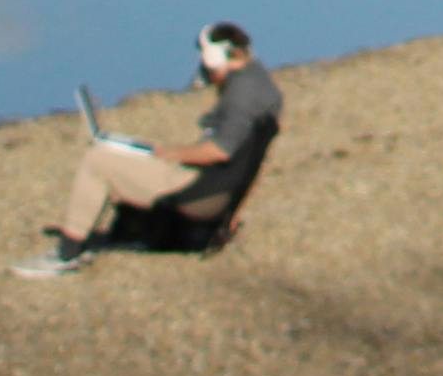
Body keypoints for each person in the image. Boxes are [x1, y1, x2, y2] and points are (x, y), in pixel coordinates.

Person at [18, 21, 282, 276]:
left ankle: (67, 253)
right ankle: (130, 232)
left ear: (214, 56)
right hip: (219, 190)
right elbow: (253, 162)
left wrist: (171, 153)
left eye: (203, 56)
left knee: (97, 161)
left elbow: (220, 151)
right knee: (127, 157)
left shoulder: (240, 95)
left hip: (200, 191)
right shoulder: (261, 82)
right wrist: (233, 212)